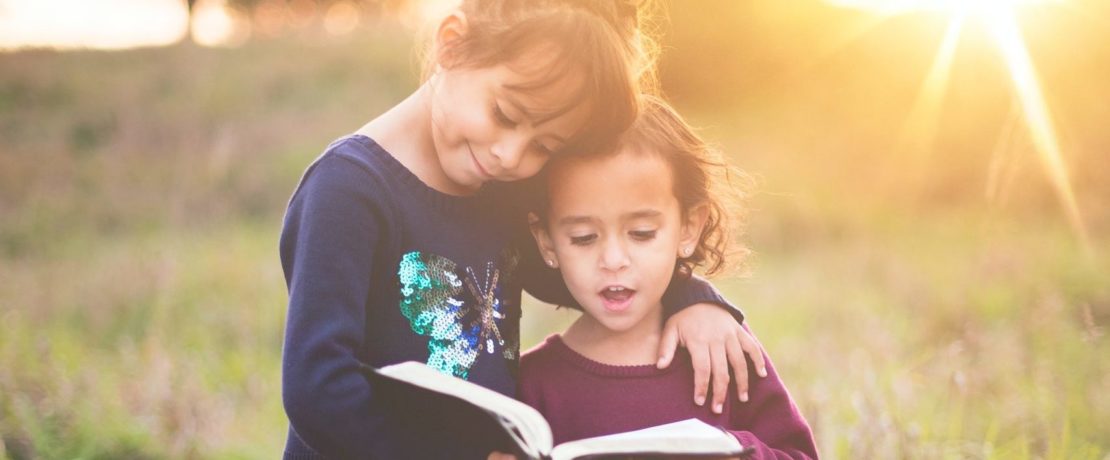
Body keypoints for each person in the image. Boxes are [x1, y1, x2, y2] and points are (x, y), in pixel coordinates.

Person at [279, 2, 766, 459]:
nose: (511, 156)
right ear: (452, 44)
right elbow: (317, 389)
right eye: (505, 115)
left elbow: (594, 276)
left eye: (544, 146)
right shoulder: (349, 191)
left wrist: (694, 300)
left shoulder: (497, 186)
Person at [518, 96, 819, 459]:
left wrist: (731, 451)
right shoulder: (534, 383)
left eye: (642, 233)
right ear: (547, 241)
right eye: (583, 237)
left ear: (689, 227)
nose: (613, 260)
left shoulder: (719, 347)